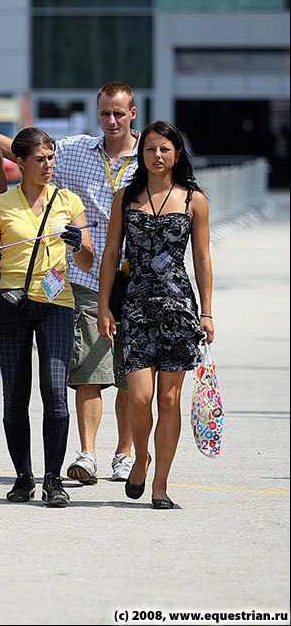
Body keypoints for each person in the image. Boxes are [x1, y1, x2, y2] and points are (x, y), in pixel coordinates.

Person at [0, 81, 140, 484]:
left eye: (119, 113)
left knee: (130, 370)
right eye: (105, 113)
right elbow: (24, 148)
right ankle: (87, 453)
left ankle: (123, 453)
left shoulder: (151, 157)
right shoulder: (73, 150)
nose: (111, 121)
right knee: (88, 368)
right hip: (87, 278)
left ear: (132, 114)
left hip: (136, 279)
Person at [0, 127, 93, 506]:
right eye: (39, 159)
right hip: (12, 304)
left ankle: (52, 480)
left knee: (55, 392)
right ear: (19, 163)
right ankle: (23, 477)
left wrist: (78, 245)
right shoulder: (0, 204)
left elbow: (87, 261)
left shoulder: (69, 201)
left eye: (51, 158)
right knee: (15, 396)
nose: (48, 166)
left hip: (57, 303)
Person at [97, 120, 214, 509]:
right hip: (135, 308)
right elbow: (111, 254)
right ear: (141, 154)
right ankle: (140, 456)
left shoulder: (194, 199)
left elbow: (201, 258)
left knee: (168, 400)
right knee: (139, 397)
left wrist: (207, 312)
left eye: (165, 149)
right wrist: (103, 307)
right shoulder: (125, 197)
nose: (157, 156)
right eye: (150, 149)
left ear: (176, 153)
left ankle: (160, 484)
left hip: (179, 309)